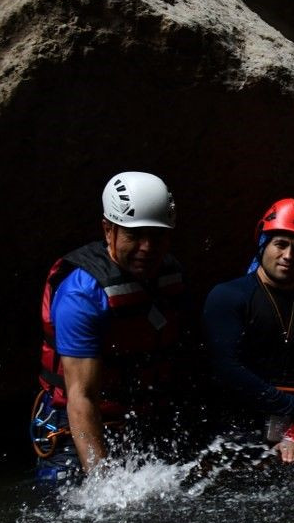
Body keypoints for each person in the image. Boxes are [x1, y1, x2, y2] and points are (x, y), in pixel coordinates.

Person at [32, 172, 185, 481]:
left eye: (157, 236)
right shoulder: (82, 294)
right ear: (108, 230)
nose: (147, 247)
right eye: (135, 235)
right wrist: (104, 487)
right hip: (78, 417)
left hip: (140, 414)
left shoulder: (170, 274)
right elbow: (81, 397)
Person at [202, 199, 294, 463]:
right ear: (263, 245)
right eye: (280, 244)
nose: (288, 256)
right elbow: (227, 369)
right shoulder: (229, 296)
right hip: (233, 434)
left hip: (293, 434)